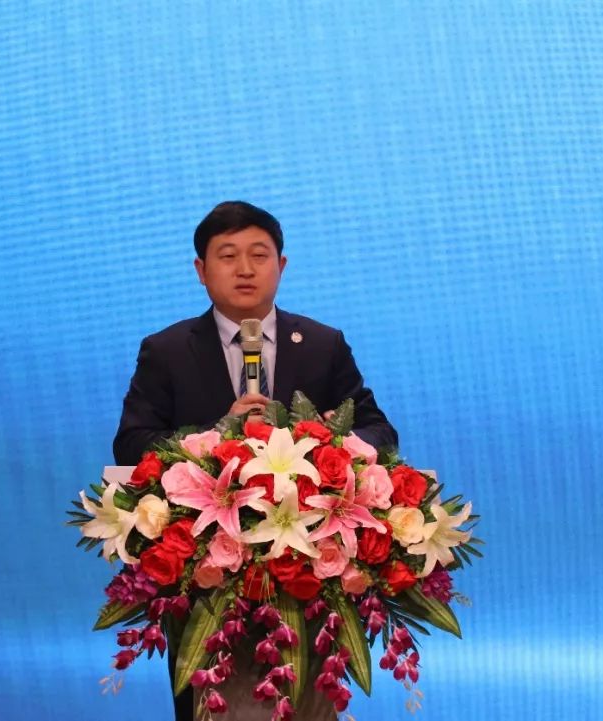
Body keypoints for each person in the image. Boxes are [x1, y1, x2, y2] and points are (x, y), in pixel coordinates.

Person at [112, 200, 398, 721]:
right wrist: (216, 434)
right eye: (227, 256)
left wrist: (329, 440)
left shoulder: (321, 344)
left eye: (259, 255)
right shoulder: (167, 350)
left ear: (281, 266)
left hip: (307, 576)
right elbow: (132, 444)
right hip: (208, 580)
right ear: (201, 270)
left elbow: (380, 432)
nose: (245, 269)